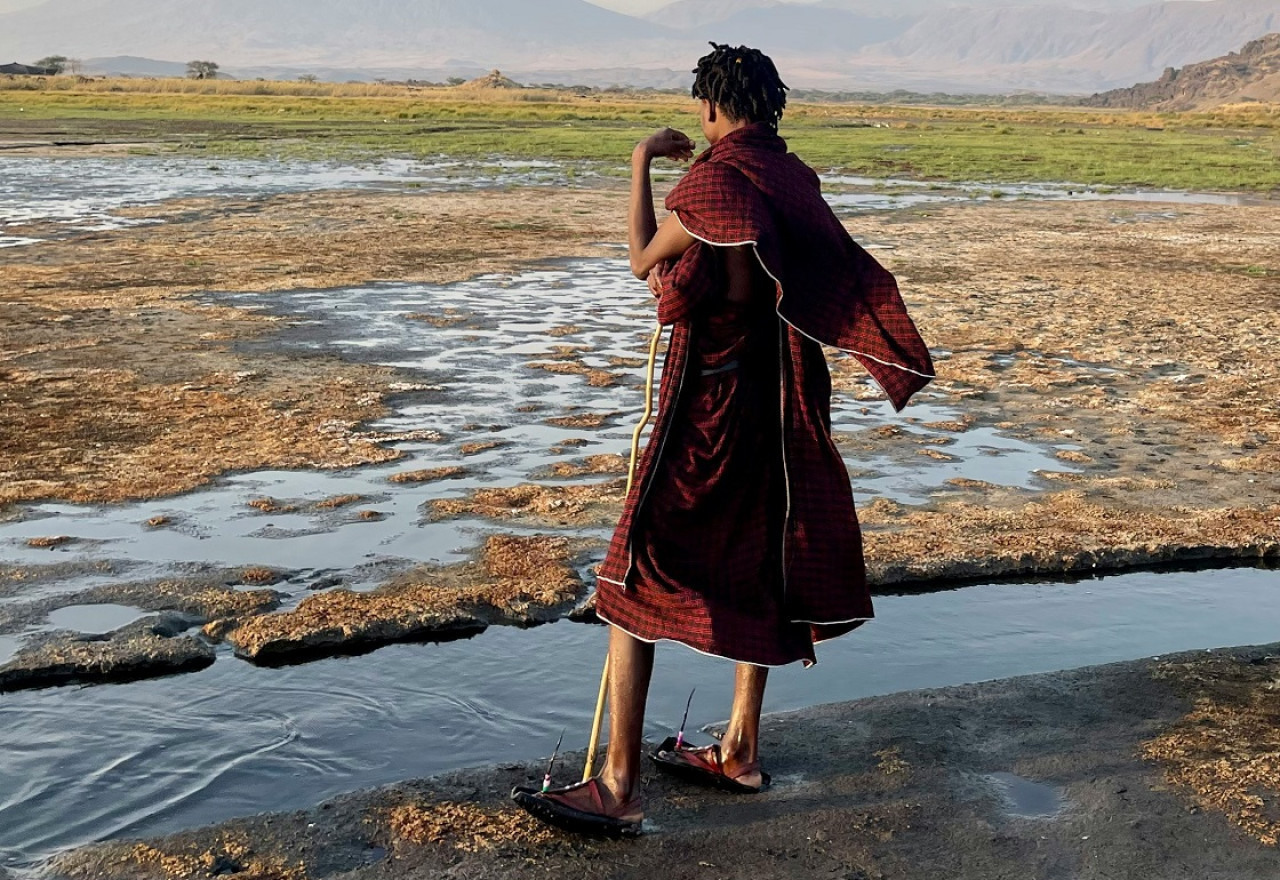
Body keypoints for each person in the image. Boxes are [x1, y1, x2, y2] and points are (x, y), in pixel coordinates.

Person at [513, 43, 934, 838]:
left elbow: (645, 263)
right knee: (763, 551)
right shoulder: (792, 180)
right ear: (769, 109)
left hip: (703, 407)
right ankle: (738, 748)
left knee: (633, 572)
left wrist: (640, 160)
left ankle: (618, 784)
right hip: (774, 406)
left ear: (710, 108)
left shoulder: (710, 184)